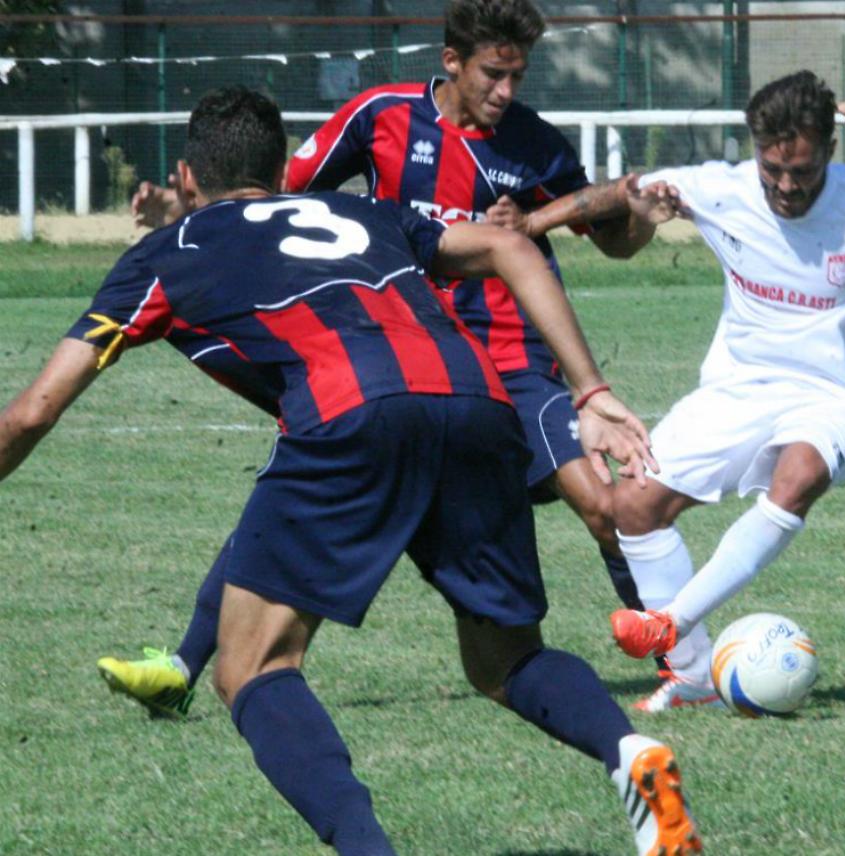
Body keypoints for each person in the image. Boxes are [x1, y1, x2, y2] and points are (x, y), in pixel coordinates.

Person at [0, 85, 702, 856]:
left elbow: (33, 411)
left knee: (253, 667)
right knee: (508, 661)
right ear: (280, 166)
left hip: (348, 413)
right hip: (475, 399)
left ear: (187, 178)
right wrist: (590, 391)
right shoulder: (367, 212)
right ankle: (630, 753)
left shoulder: (164, 255)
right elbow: (509, 246)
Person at [107, 0, 680, 718]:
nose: (506, 92)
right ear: (451, 63)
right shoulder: (380, 116)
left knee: (604, 507)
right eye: (493, 75)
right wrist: (190, 214)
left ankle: (680, 659)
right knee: (299, 485)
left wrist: (640, 222)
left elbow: (611, 239)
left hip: (513, 358)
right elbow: (276, 208)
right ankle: (183, 665)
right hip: (407, 349)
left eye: (517, 77)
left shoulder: (535, 143)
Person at [502, 70, 845, 710]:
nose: (785, 185)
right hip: (737, 389)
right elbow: (614, 193)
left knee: (797, 476)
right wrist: (529, 224)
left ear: (830, 148)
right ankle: (689, 677)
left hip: (833, 395)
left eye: (801, 170)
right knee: (631, 506)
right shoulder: (722, 188)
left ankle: (672, 621)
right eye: (773, 168)